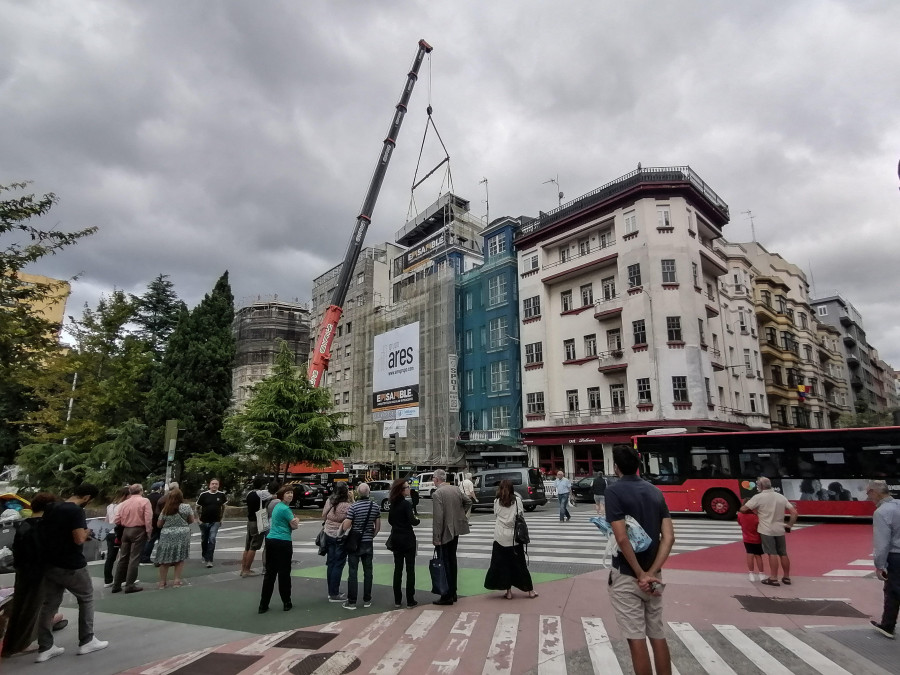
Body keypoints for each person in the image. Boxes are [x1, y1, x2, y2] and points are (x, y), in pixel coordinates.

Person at [605, 446, 675, 675]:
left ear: (616, 467)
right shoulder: (655, 492)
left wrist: (639, 573)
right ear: (638, 465)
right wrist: (651, 572)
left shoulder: (614, 492)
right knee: (657, 634)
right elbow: (669, 537)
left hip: (627, 575)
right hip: (654, 577)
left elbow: (621, 537)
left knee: (636, 639)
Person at [36, 484, 108, 663]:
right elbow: (78, 539)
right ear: (87, 498)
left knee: (49, 605)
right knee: (86, 598)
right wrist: (87, 532)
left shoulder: (52, 507)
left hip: (50, 564)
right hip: (72, 564)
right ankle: (87, 640)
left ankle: (45, 647)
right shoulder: (76, 511)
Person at [2, 493, 64, 656]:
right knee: (31, 609)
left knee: (21, 608)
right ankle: (20, 645)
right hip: (36, 574)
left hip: (23, 572)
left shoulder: (24, 525)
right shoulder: (41, 527)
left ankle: (13, 644)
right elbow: (45, 552)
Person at [484, 479, 537, 600]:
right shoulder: (517, 501)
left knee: (503, 565)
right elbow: (520, 516)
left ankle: (508, 592)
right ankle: (530, 590)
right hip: (514, 538)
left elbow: (496, 515)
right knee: (520, 565)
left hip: (499, 537)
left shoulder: (496, 501)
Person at [740, 476, 798, 586]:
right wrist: (789, 525)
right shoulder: (781, 497)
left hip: (766, 529)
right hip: (780, 529)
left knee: (772, 553)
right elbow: (794, 512)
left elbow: (743, 509)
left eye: (757, 484)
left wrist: (756, 511)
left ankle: (773, 577)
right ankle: (786, 577)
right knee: (783, 553)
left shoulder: (758, 497)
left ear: (761, 486)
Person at [432, 468, 471, 606]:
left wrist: (436, 537)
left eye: (433, 478)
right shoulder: (455, 489)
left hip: (444, 532)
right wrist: (460, 515)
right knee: (452, 560)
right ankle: (453, 592)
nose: (433, 481)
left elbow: (438, 518)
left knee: (444, 562)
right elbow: (468, 502)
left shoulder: (437, 494)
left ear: (437, 479)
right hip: (455, 529)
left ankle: (447, 594)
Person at [258, 486, 299, 613]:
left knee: (270, 573)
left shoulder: (277, 507)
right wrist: (297, 519)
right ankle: (287, 602)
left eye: (291, 493)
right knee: (284, 573)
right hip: (283, 541)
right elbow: (294, 525)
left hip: (271, 540)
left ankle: (263, 605)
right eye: (287, 493)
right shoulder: (285, 509)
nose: (290, 495)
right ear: (282, 495)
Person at [867, 480, 900, 638]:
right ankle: (887, 624)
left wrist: (879, 565)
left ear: (875, 492)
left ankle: (888, 625)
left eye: (868, 493)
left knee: (892, 591)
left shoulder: (881, 512)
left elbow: (882, 543)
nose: (868, 497)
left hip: (896, 556)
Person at [341, 482, 380, 610]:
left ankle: (352, 601)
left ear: (358, 493)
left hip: (355, 542)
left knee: (353, 571)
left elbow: (347, 525)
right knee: (368, 571)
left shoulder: (353, 507)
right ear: (368, 492)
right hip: (368, 542)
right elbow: (378, 526)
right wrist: (371, 535)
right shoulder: (375, 507)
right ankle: (367, 599)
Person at [113, 483, 153, 594]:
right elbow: (148, 519)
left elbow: (116, 520)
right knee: (134, 558)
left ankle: (116, 584)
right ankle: (130, 584)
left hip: (126, 530)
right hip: (139, 530)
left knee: (123, 558)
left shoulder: (124, 503)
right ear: (141, 491)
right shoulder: (145, 501)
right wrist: (148, 532)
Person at [387, 478, 419, 609]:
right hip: (408, 539)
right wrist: (417, 520)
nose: (409, 489)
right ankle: (410, 599)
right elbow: (412, 521)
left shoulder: (393, 503)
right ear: (401, 490)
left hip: (396, 539)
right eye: (407, 487)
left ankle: (397, 600)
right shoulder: (406, 504)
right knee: (410, 570)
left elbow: (390, 520)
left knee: (398, 570)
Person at [155, 488, 194, 589]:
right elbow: (191, 520)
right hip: (182, 534)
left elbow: (159, 524)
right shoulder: (186, 507)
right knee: (180, 558)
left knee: (164, 559)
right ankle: (176, 580)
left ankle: (162, 582)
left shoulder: (166, 508)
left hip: (167, 535)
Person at [323, 483, 352, 602]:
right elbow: (352, 517)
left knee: (331, 562)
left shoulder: (329, 501)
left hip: (328, 533)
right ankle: (334, 593)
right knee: (338, 563)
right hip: (340, 535)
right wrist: (352, 499)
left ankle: (331, 591)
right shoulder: (347, 505)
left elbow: (323, 515)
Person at [241, 477, 270, 577]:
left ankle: (243, 569)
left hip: (250, 521)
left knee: (247, 546)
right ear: (262, 485)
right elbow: (275, 496)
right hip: (259, 520)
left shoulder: (250, 493)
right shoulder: (262, 493)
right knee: (254, 546)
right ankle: (247, 570)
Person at [197, 478, 228, 568]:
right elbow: (197, 507)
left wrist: (222, 518)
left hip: (215, 521)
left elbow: (224, 507)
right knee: (204, 539)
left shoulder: (221, 495)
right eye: (212, 484)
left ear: (218, 485)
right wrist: (198, 519)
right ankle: (204, 554)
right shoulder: (204, 495)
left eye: (216, 484)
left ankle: (209, 559)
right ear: (209, 485)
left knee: (212, 538)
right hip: (204, 521)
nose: (214, 485)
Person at [103, 486, 129, 587]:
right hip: (120, 532)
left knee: (110, 557)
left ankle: (108, 580)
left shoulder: (110, 506)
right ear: (126, 495)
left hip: (110, 532)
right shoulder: (123, 505)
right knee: (124, 556)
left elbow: (106, 520)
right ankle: (123, 578)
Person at [736, 500, 765, 581]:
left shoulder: (740, 515)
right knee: (758, 556)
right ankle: (761, 574)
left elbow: (740, 523)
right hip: (757, 538)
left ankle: (751, 574)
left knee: (749, 554)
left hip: (746, 538)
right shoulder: (756, 517)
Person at [140, 481, 165, 564]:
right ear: (159, 488)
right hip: (159, 521)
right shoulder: (162, 498)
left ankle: (144, 556)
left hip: (149, 521)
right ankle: (159, 558)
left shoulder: (147, 498)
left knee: (150, 540)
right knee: (161, 540)